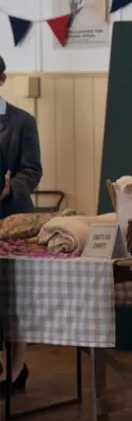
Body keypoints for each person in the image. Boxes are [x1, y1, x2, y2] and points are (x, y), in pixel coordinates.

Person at [0, 53, 44, 399]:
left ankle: (15, 369)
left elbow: (32, 170)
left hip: (13, 218)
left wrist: (10, 188)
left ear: (2, 80)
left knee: (15, 297)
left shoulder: (22, 122)